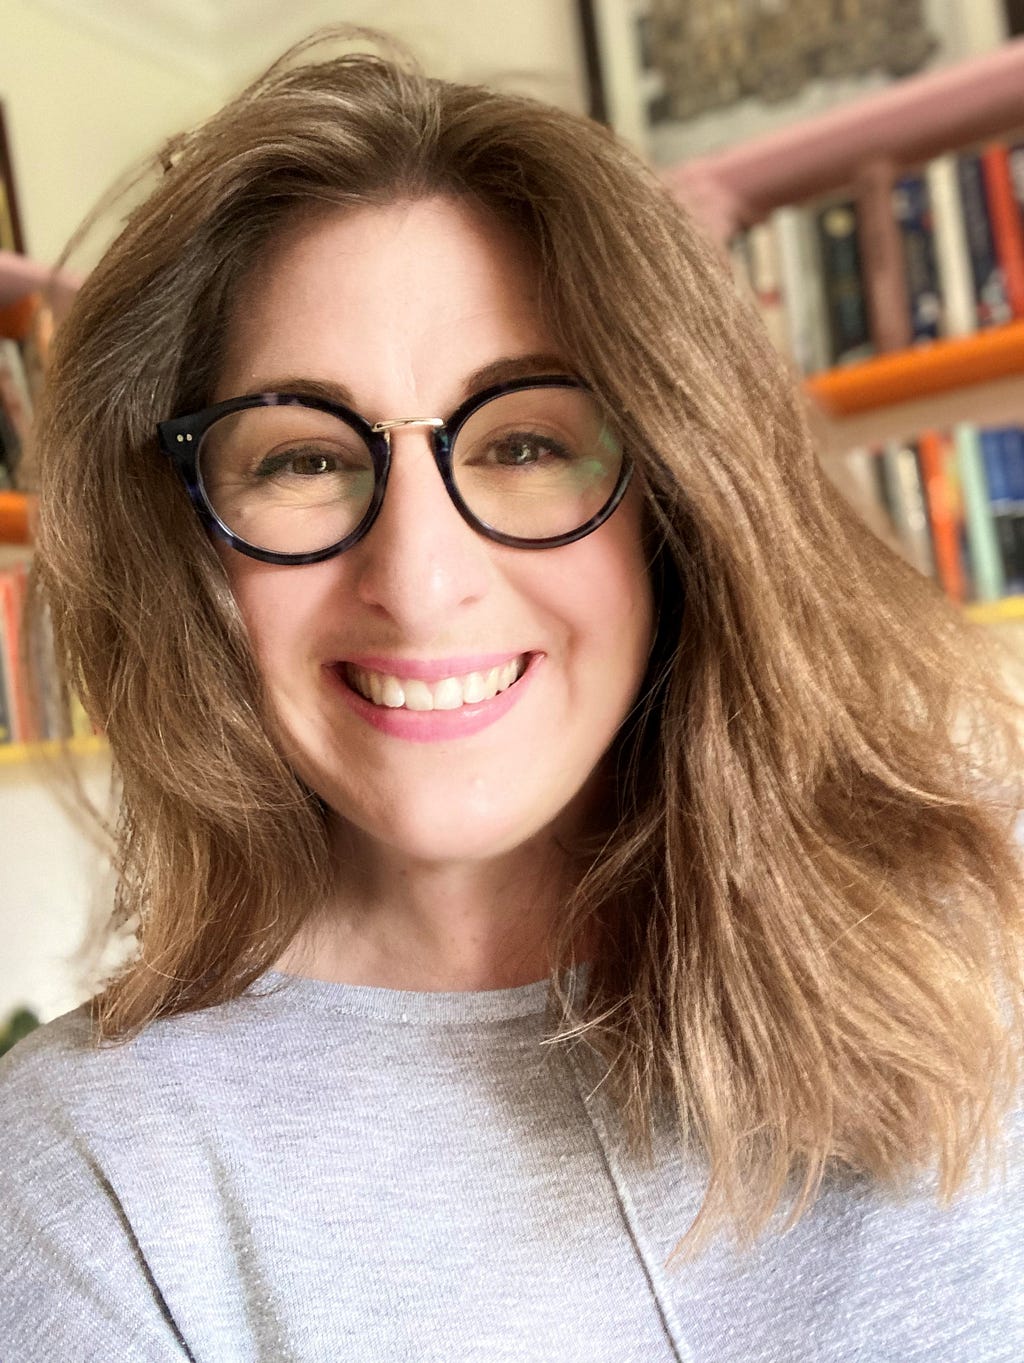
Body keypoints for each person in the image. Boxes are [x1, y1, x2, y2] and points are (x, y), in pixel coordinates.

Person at [2, 27, 1023, 1362]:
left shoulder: (983, 924)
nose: (420, 582)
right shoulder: (86, 1186)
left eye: (529, 440)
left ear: (679, 496)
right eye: (304, 460)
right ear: (190, 540)